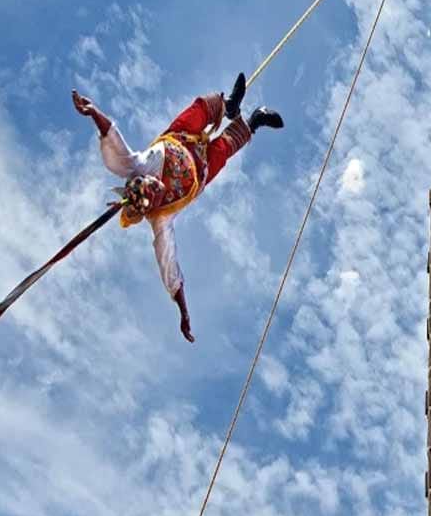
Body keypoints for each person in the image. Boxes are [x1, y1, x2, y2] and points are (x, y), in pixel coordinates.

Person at [72, 74, 283, 341]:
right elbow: (169, 268)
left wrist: (94, 113)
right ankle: (254, 121)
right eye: (155, 194)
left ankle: (229, 105)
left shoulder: (138, 166)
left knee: (199, 111)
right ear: (150, 206)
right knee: (223, 150)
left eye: (151, 184)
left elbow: (114, 142)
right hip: (200, 171)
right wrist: (183, 313)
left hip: (182, 138)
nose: (157, 186)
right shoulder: (161, 219)